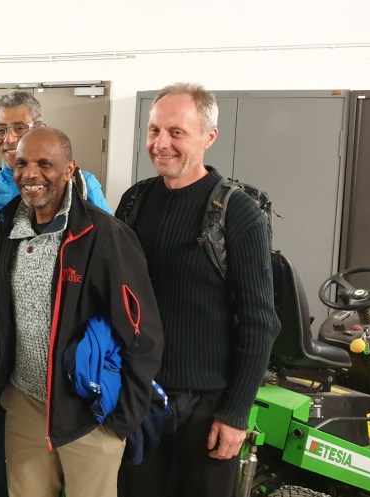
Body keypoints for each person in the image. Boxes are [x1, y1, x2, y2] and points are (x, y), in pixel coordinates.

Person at [114, 83, 280, 497]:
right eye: (154, 130)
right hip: (140, 400)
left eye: (176, 132)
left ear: (209, 137)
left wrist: (235, 413)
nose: (161, 143)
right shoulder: (134, 202)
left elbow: (260, 322)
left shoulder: (237, 213)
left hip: (207, 410)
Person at [0, 127, 163, 497]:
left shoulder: (103, 235)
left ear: (69, 170)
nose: (30, 174)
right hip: (25, 406)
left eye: (44, 164)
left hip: (87, 414)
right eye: (22, 164)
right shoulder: (8, 230)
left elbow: (142, 333)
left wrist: (122, 420)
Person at [0, 90, 112, 218]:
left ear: (41, 129)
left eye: (20, 128)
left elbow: (110, 235)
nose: (9, 139)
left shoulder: (82, 184)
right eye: (0, 130)